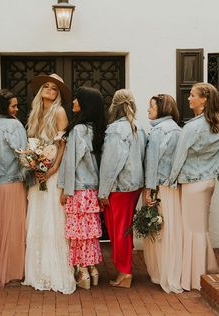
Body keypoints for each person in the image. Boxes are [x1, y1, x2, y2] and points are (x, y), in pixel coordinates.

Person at [169, 82, 219, 291]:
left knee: (192, 230)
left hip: (192, 183)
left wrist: (171, 180)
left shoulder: (192, 127)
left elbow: (179, 157)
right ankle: (206, 269)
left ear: (204, 99)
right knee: (201, 229)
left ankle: (194, 278)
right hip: (209, 182)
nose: (188, 98)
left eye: (192, 95)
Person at [22, 73, 76, 294]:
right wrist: (34, 166)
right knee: (37, 217)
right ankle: (37, 270)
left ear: (58, 95)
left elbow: (62, 147)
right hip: (38, 175)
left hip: (52, 175)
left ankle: (55, 271)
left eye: (55, 89)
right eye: (47, 87)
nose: (50, 91)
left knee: (52, 218)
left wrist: (52, 169)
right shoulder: (36, 113)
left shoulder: (60, 112)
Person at [57, 86, 106, 290]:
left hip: (77, 189)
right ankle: (93, 269)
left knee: (78, 234)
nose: (74, 102)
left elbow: (71, 162)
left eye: (77, 99)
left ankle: (82, 270)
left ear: (86, 104)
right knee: (90, 234)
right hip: (92, 190)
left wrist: (63, 189)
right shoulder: (98, 130)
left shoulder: (78, 130)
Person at [99, 89, 147, 288]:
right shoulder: (138, 127)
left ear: (114, 106)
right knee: (125, 229)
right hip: (134, 186)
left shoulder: (115, 130)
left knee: (118, 230)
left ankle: (124, 272)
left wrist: (103, 191)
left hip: (118, 187)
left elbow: (111, 163)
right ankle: (124, 269)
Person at [0, 89, 27, 287]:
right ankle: (14, 270)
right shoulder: (15, 126)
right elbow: (24, 155)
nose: (16, 109)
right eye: (13, 106)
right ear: (4, 107)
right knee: (15, 228)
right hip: (14, 183)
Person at [143, 94, 183, 293]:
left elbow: (152, 163)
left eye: (151, 107)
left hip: (158, 185)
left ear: (162, 108)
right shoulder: (177, 129)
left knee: (158, 232)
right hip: (172, 187)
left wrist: (149, 190)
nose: (148, 110)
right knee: (171, 231)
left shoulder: (158, 131)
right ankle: (172, 271)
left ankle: (162, 273)